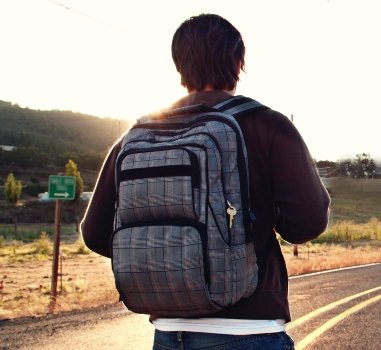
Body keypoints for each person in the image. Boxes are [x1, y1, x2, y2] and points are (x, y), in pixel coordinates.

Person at [81, 13, 330, 350]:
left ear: (179, 65)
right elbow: (306, 223)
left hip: (168, 334)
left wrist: (171, 260)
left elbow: (95, 232)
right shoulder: (268, 124)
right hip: (249, 329)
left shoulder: (139, 133)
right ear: (239, 62)